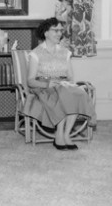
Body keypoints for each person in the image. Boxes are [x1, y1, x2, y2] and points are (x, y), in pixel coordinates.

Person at [24, 17, 96, 150]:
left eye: (60, 30)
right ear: (46, 33)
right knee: (63, 95)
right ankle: (59, 134)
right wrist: (47, 84)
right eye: (55, 30)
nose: (59, 33)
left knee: (78, 93)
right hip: (43, 87)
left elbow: (70, 77)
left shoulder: (65, 52)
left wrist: (66, 83)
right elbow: (30, 81)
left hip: (62, 85)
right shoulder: (35, 54)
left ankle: (66, 135)